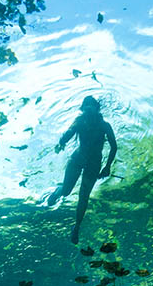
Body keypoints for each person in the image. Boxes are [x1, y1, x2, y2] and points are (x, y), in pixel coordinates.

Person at [46, 96, 117, 244]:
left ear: (97, 109)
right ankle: (58, 191)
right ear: (83, 110)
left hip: (94, 164)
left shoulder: (104, 126)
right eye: (86, 108)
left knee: (83, 197)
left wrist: (108, 166)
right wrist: (62, 142)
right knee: (66, 191)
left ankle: (76, 227)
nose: (88, 110)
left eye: (91, 107)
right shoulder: (79, 122)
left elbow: (114, 146)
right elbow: (68, 134)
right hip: (77, 159)